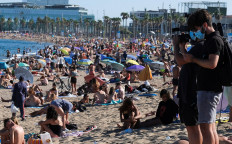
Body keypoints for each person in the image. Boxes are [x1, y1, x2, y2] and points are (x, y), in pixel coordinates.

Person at [184, 9, 224, 144]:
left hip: (209, 88)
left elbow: (212, 64)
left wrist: (193, 60)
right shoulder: (212, 39)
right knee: (210, 126)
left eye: (196, 28)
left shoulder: (213, 40)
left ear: (204, 25)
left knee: (206, 128)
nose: (195, 32)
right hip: (209, 88)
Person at [173, 32, 204, 144]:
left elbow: (181, 61)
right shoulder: (202, 47)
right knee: (195, 127)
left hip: (190, 93)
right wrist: (182, 48)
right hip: (192, 91)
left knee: (193, 128)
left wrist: (176, 46)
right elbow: (186, 62)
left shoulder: (201, 47)